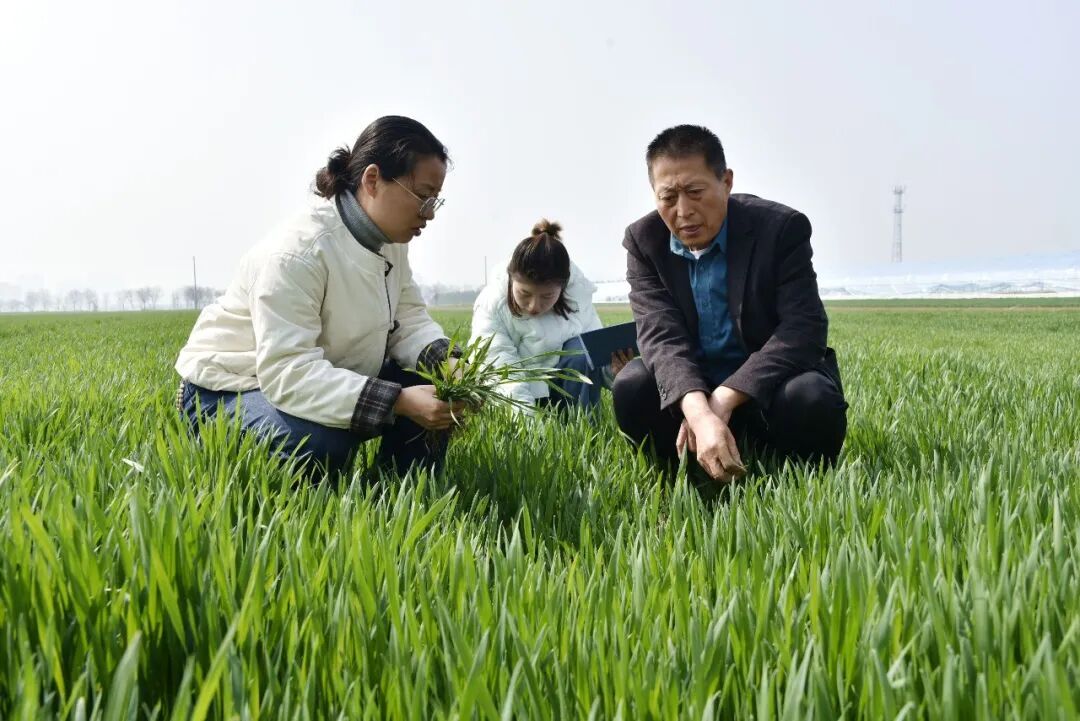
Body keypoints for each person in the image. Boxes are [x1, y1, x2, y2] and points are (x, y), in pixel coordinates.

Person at [174, 115, 465, 481]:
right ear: (372, 180)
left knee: (436, 387)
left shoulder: (390, 241)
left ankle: (401, 491)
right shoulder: (297, 254)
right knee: (320, 443)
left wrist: (451, 365)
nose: (429, 214)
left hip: (324, 370)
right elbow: (288, 373)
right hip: (233, 388)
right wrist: (399, 401)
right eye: (422, 197)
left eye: (435, 201)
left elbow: (409, 321)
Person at [612, 124, 848, 482]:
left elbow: (803, 330)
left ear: (726, 181)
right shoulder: (643, 241)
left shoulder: (781, 228)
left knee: (810, 396)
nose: (683, 211)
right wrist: (698, 411)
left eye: (695, 192)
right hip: (694, 390)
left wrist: (723, 399)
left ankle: (797, 476)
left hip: (767, 392)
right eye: (668, 197)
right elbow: (660, 336)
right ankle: (677, 475)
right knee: (632, 384)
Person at [470, 219, 632, 410]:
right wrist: (528, 424)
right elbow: (502, 373)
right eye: (524, 293)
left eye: (547, 296)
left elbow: (594, 359)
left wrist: (613, 371)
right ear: (512, 279)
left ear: (562, 288)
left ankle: (580, 423)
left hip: (564, 391)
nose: (534, 306)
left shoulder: (577, 296)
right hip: (514, 393)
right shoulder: (492, 304)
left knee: (582, 350)